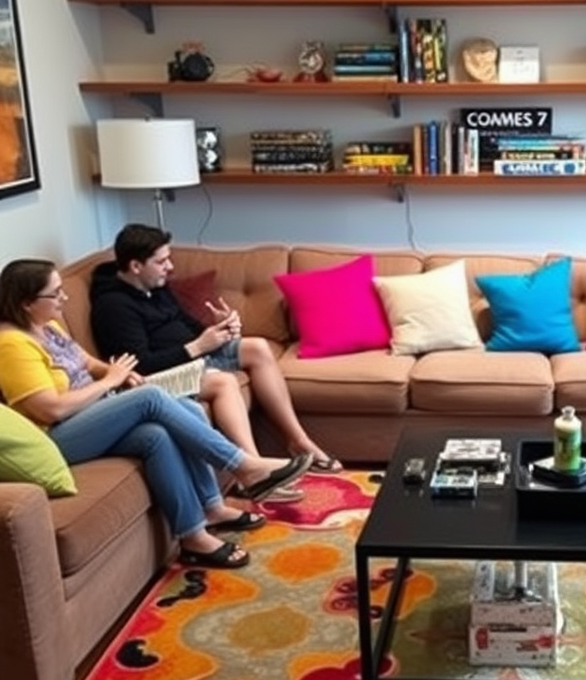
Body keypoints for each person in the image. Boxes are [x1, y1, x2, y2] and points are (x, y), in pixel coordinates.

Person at [0, 259, 313, 568]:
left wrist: (114, 372)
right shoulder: (11, 345)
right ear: (27, 302)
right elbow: (51, 408)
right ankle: (243, 466)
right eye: (55, 294)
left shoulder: (47, 327)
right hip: (61, 434)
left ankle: (200, 525)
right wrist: (111, 381)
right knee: (149, 397)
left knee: (162, 430)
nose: (63, 299)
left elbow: (86, 363)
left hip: (91, 411)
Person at [89, 224, 340, 476]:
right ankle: (255, 469)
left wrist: (219, 328)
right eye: (162, 261)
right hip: (155, 378)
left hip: (193, 357)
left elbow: (185, 324)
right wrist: (198, 346)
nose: (170, 267)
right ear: (135, 266)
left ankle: (297, 440)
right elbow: (140, 364)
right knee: (223, 382)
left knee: (257, 348)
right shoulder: (113, 306)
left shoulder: (155, 286)